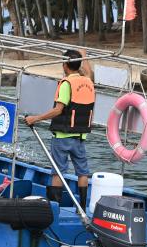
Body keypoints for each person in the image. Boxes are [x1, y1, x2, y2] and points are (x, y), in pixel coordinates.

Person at [24, 49, 95, 209]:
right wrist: (84, 56)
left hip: (63, 136)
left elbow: (58, 110)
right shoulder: (88, 82)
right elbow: (89, 73)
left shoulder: (66, 84)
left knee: (58, 171)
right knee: (82, 172)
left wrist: (35, 118)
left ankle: (54, 208)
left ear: (65, 65)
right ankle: (82, 208)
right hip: (80, 137)